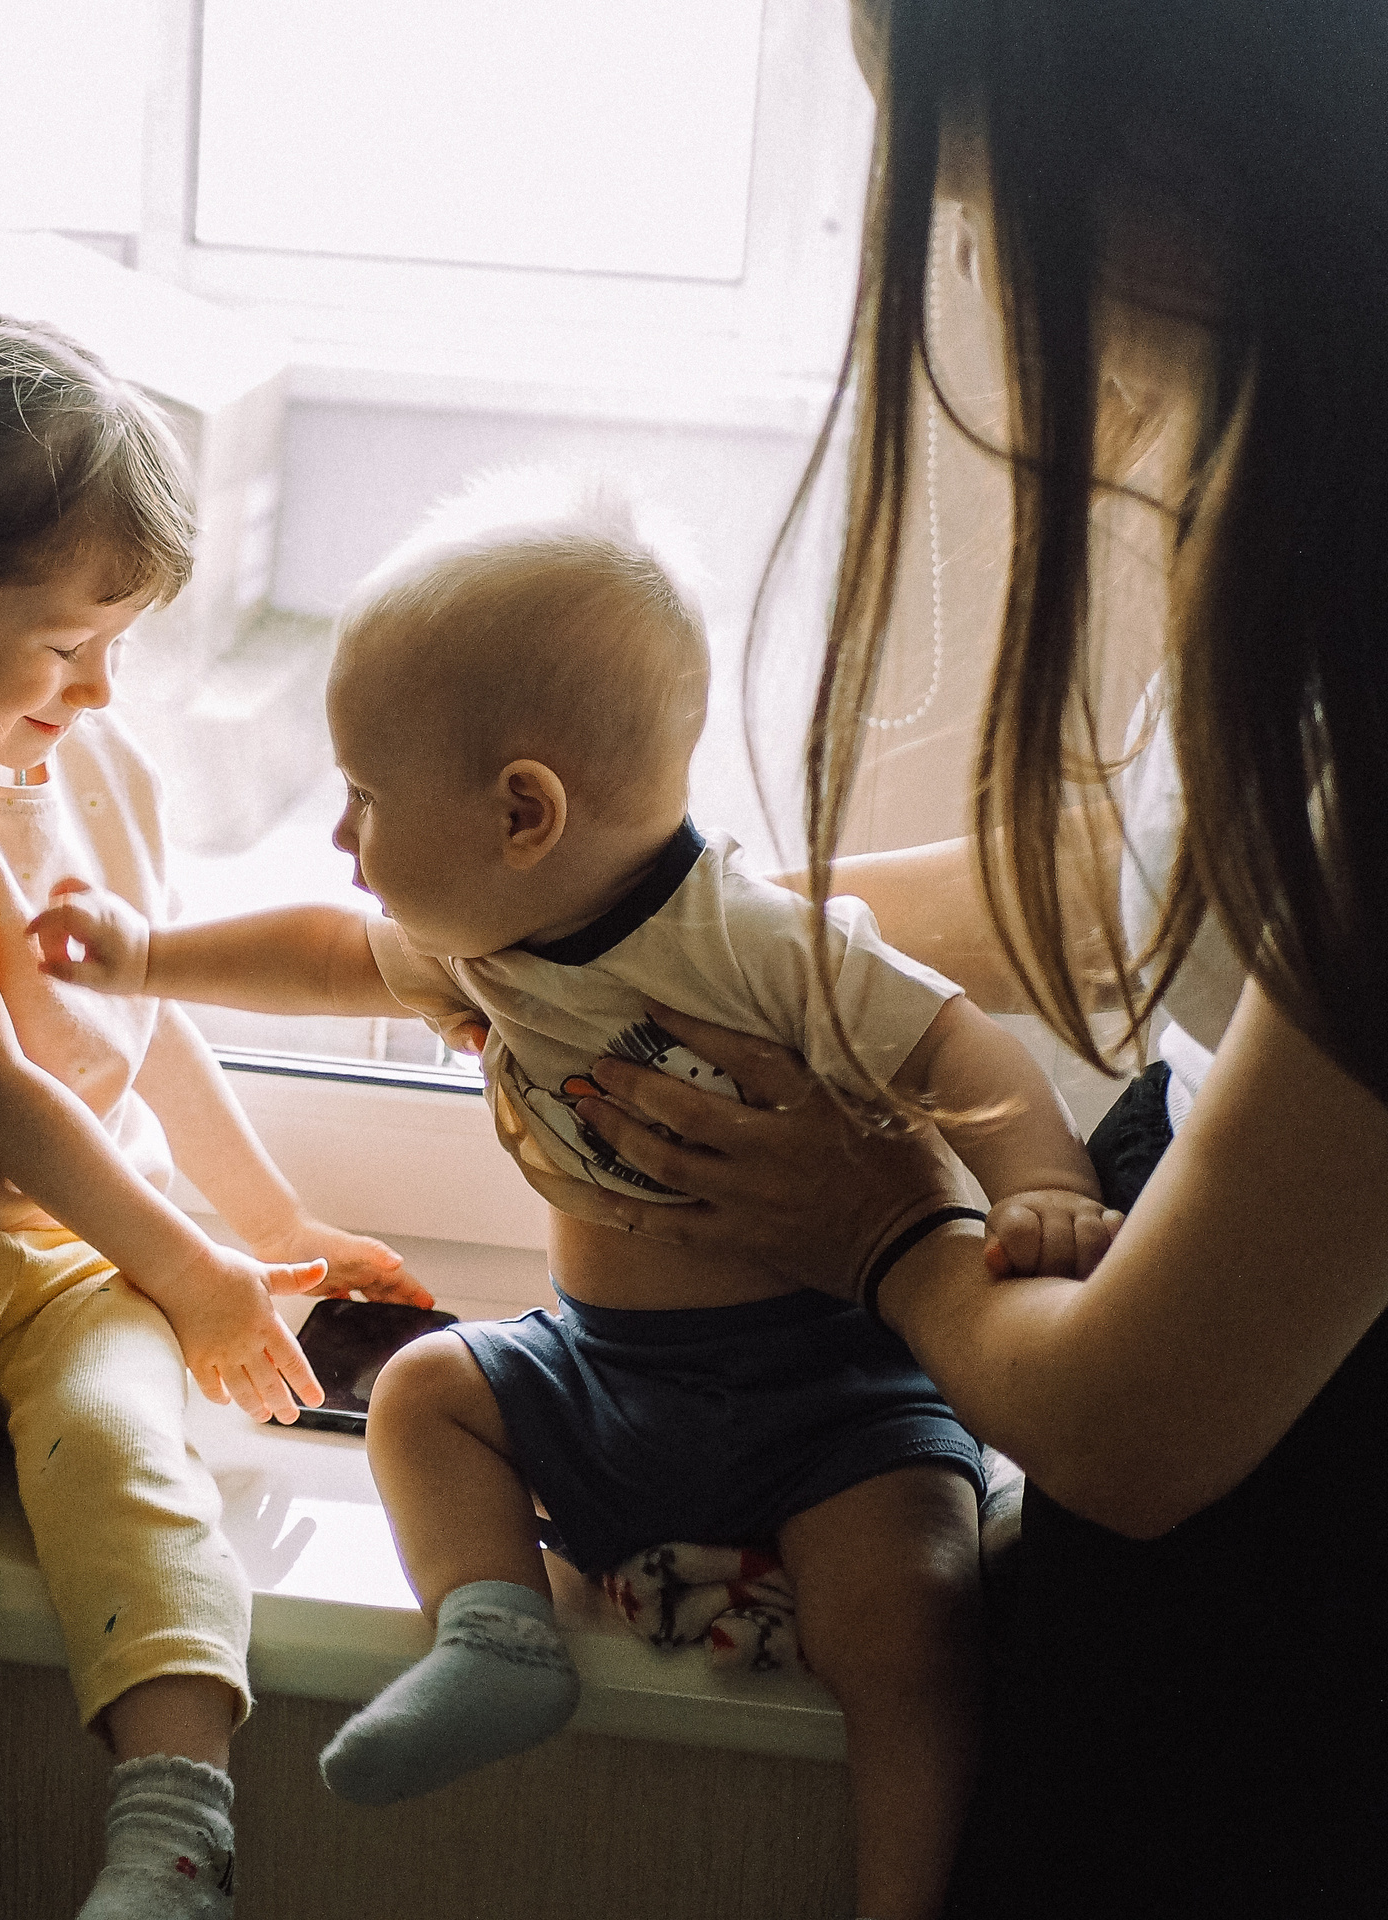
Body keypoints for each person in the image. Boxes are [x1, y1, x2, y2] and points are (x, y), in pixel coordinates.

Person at [517, 1, 1388, 1910]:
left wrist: (886, 1224)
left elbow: (1139, 1427)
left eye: (959, 175)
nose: (966, 250)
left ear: (1165, 182)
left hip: (1302, 1591)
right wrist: (680, 925)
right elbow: (1155, 868)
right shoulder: (1308, 510)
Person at [31, 472, 1117, 1920]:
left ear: (522, 811)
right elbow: (330, 954)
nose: (345, 841)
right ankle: (497, 1634)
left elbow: (956, 1042)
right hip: (602, 1371)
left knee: (915, 1613)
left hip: (825, 1397)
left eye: (362, 797)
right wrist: (147, 955)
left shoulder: (752, 942)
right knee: (425, 1395)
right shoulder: (486, 933)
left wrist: (1039, 1181)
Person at [0, 319, 431, 1920]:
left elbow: (144, 1031)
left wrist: (265, 1232)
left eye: (120, 643)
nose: (103, 684)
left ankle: (173, 1842)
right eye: (70, 645)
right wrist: (196, 1270)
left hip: (75, 1253)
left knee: (136, 1472)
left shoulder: (98, 768)